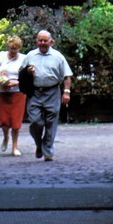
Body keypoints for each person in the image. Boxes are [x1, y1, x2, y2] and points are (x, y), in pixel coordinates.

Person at [22, 28, 72, 161]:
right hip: (35, 93)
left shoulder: (58, 57)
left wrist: (66, 92)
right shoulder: (30, 55)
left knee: (51, 122)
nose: (43, 43)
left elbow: (67, 76)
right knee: (35, 122)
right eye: (40, 40)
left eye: (45, 40)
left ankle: (47, 150)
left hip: (52, 92)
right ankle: (39, 144)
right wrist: (28, 71)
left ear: (51, 42)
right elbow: (21, 74)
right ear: (36, 41)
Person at [0, 34, 27, 156]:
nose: (13, 51)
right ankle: (5, 137)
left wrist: (16, 82)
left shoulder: (24, 59)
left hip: (17, 92)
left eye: (16, 49)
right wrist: (0, 75)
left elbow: (27, 77)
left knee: (16, 120)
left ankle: (14, 146)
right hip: (3, 91)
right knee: (4, 119)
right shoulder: (1, 56)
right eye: (11, 48)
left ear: (19, 48)